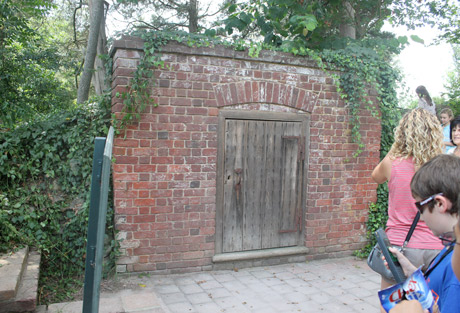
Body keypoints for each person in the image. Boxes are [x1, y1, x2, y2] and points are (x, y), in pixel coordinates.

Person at [372, 109, 444, 294]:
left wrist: (395, 148)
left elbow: (376, 176)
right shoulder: (443, 167)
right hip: (436, 247)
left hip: (399, 245)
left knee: (393, 304)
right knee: (431, 303)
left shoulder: (392, 162)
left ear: (402, 133)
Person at [388, 154, 460, 313]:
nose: (420, 216)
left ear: (440, 203)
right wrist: (410, 269)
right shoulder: (451, 245)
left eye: (420, 208)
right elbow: (438, 285)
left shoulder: (457, 267)